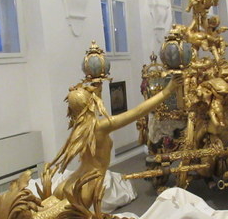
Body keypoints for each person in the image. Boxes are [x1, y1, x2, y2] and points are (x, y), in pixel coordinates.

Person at [46, 74, 182, 210]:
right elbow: (139, 111)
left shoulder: (79, 127)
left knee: (47, 211)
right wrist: (167, 90)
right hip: (88, 184)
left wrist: (97, 85)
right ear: (91, 103)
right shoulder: (100, 127)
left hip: (71, 180)